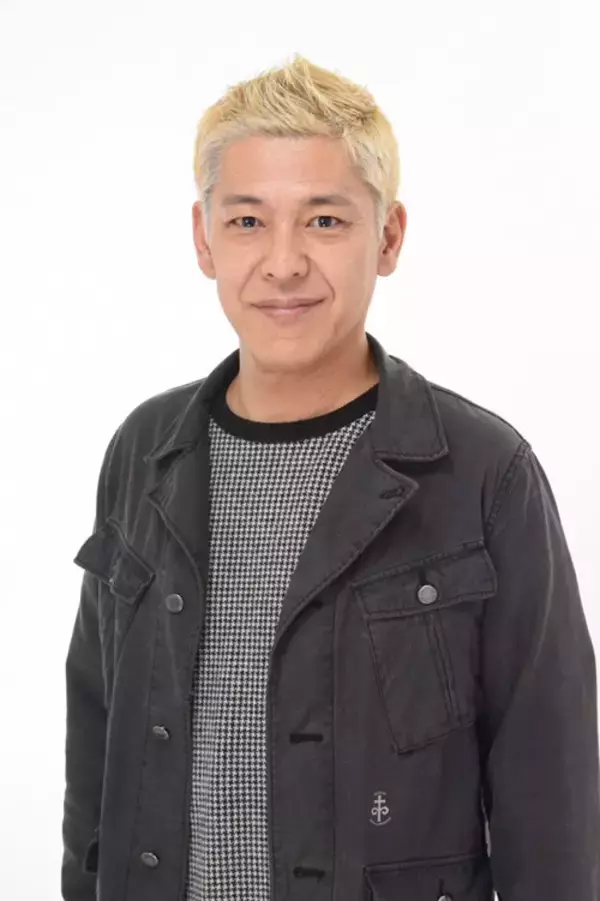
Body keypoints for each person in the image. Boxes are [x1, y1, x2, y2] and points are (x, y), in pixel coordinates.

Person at [62, 54, 600, 901]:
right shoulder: (144, 450)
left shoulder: (484, 475)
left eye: (324, 220)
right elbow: (95, 734)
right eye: (247, 220)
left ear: (388, 238)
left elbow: (553, 801)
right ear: (203, 238)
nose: (283, 263)